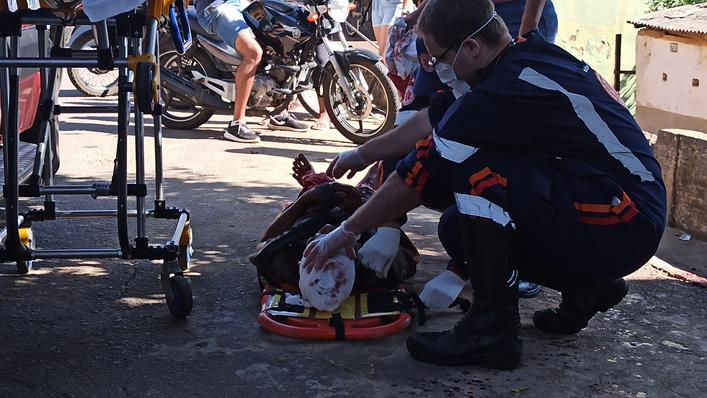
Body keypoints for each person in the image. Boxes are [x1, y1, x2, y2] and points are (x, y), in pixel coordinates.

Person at [302, 0, 666, 369]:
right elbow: (433, 120)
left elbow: (417, 175)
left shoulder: (505, 88)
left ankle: (492, 329)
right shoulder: (516, 60)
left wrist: (346, 232)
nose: (437, 68)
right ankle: (587, 286)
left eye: (439, 58)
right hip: (612, 205)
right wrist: (363, 153)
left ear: (472, 47)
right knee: (458, 229)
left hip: (626, 217)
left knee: (477, 177)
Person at [193, 0, 310, 143]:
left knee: (279, 38)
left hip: (236, 2)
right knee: (253, 53)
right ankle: (237, 124)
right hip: (214, 7)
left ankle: (278, 112)